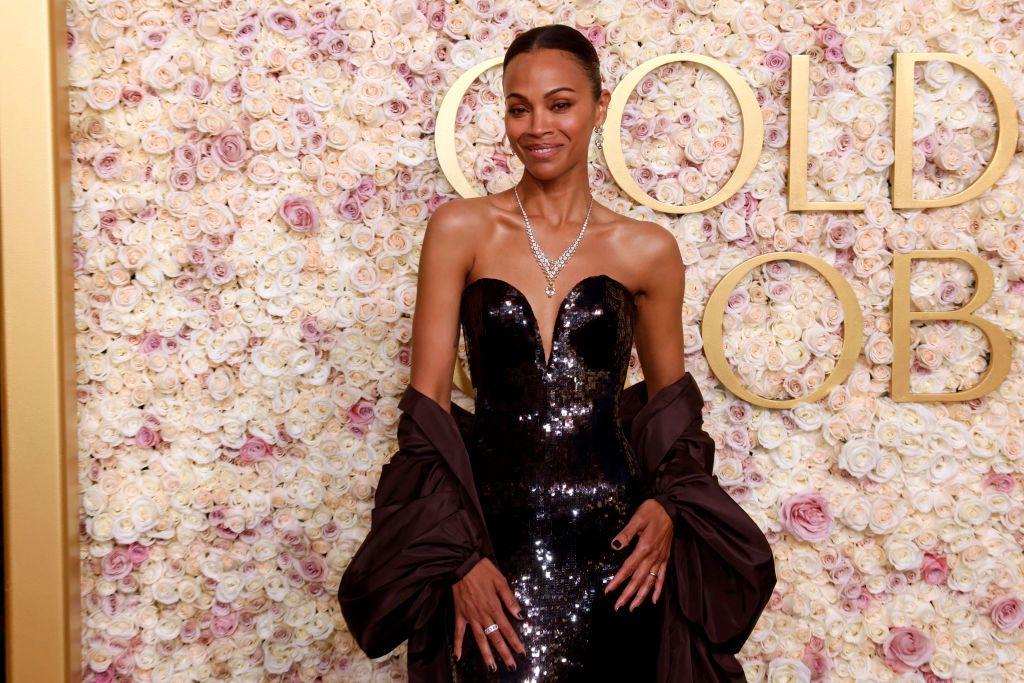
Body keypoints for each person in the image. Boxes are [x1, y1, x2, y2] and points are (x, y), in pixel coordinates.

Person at [338, 24, 776, 682]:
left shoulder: (646, 249)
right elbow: (425, 409)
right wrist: (454, 555)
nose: (537, 125)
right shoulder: (461, 229)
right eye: (519, 107)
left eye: (560, 103)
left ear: (599, 109)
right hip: (491, 548)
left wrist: (667, 507)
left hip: (619, 556)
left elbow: (671, 410)